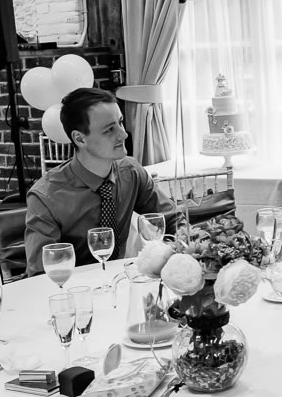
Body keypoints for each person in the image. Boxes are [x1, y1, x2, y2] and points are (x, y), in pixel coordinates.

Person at [25, 88, 182, 276]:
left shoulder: (131, 172)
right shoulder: (45, 197)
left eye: (120, 122)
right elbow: (42, 274)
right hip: (75, 288)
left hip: (122, 281)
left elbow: (173, 221)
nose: (123, 134)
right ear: (80, 139)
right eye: (109, 130)